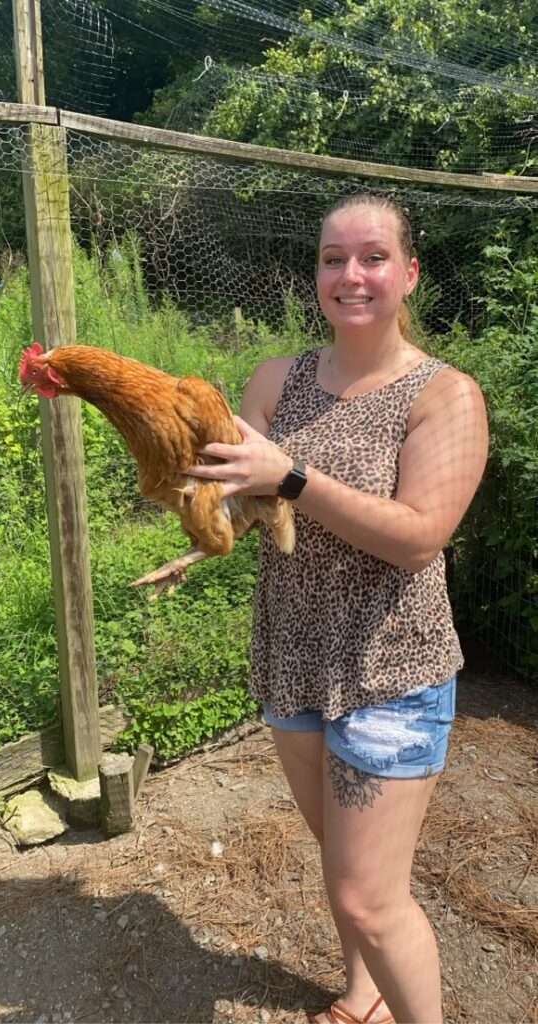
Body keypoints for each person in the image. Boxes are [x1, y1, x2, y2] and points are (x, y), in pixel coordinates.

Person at [166, 193, 489, 1023]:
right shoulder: (278, 378)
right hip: (293, 652)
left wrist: (292, 477)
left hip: (390, 666)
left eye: (372, 256)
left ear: (408, 272)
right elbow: (247, 503)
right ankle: (365, 994)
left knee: (367, 898)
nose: (349, 274)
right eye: (331, 258)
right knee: (342, 865)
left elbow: (419, 539)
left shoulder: (443, 396)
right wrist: (203, 532)